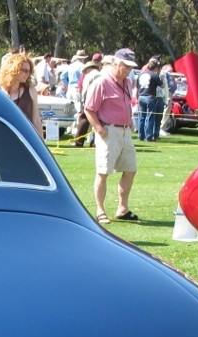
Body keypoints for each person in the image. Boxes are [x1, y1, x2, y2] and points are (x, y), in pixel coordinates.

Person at [82, 48, 140, 224]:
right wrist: (100, 129)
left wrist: (129, 121)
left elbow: (127, 104)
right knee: (103, 172)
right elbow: (89, 108)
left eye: (130, 67)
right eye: (125, 66)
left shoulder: (128, 82)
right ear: (116, 63)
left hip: (124, 131)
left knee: (130, 169)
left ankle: (123, 208)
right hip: (109, 131)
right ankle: (100, 210)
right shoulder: (102, 82)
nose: (128, 70)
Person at [0, 51, 42, 137]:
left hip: (26, 139)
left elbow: (36, 120)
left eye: (29, 71)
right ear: (14, 69)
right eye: (25, 70)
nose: (28, 74)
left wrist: (42, 144)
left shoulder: (31, 92)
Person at [69, 56, 102, 147]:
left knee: (84, 121)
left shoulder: (89, 76)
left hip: (89, 101)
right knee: (98, 122)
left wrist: (83, 102)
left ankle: (78, 142)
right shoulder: (100, 75)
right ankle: (94, 142)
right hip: (99, 102)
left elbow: (85, 91)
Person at [135, 57, 163, 141]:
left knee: (141, 117)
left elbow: (137, 87)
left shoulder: (140, 74)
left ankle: (140, 135)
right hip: (150, 97)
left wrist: (137, 98)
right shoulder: (154, 75)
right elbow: (162, 85)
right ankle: (148, 136)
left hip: (141, 96)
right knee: (150, 117)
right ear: (155, 67)